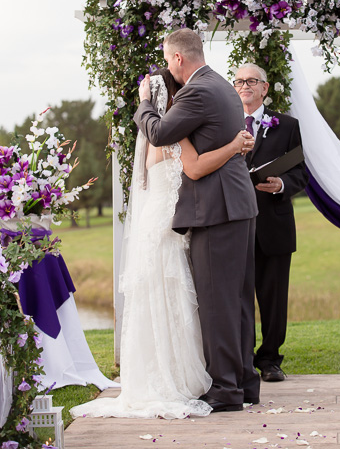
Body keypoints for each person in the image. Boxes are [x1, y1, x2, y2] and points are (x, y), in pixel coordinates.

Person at [70, 68, 255, 420]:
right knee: (200, 302)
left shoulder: (176, 131)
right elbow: (196, 167)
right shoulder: (174, 137)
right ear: (173, 101)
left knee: (197, 303)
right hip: (172, 226)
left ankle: (211, 378)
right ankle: (204, 378)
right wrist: (234, 144)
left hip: (179, 223)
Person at [134, 29, 260, 412]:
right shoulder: (220, 84)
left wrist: (143, 103)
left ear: (177, 59)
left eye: (168, 60)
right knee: (237, 298)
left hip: (217, 210)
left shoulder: (196, 91)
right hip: (236, 205)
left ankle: (225, 389)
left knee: (218, 300)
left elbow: (158, 132)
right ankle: (245, 382)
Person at [234, 63, 308, 383]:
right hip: (233, 224)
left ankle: (270, 359)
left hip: (274, 223)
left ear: (265, 88)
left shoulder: (288, 126)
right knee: (237, 296)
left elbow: (301, 172)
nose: (244, 86)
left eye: (252, 81)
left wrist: (281, 185)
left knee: (274, 298)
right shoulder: (223, 124)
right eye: (238, 81)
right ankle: (241, 358)